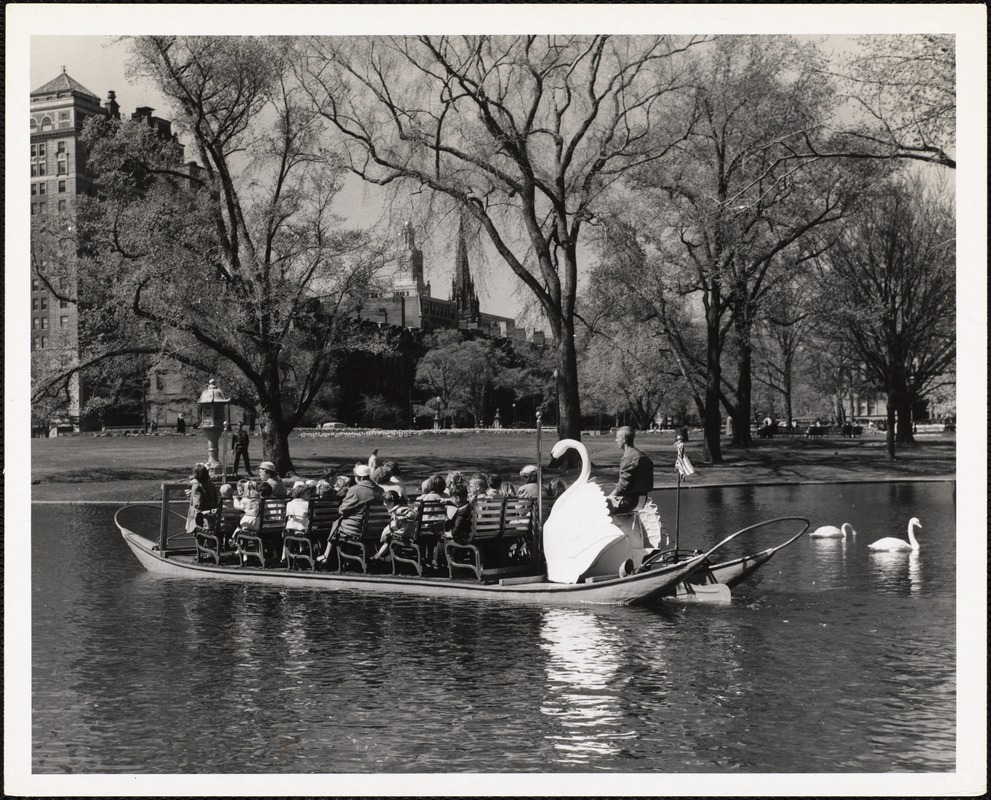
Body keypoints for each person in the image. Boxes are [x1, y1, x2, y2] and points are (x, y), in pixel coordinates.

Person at [317, 464, 383, 564]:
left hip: (357, 528)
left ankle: (328, 556)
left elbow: (342, 510)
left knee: (337, 523)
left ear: (360, 477)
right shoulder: (380, 490)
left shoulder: (355, 490)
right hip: (377, 527)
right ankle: (346, 558)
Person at [605, 426, 654, 515]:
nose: (616, 440)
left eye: (617, 438)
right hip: (642, 501)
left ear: (623, 439)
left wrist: (609, 497)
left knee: (600, 509)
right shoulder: (643, 457)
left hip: (630, 502)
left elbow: (622, 486)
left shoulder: (629, 457)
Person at [372, 489, 413, 561]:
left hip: (406, 532)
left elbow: (413, 515)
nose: (383, 504)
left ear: (391, 504)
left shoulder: (400, 510)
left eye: (385, 502)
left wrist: (402, 517)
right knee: (389, 537)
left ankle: (378, 556)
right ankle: (379, 555)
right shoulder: (399, 508)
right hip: (406, 531)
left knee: (389, 538)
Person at [281, 482, 313, 564]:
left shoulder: (290, 504)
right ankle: (302, 551)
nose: (310, 495)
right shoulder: (309, 504)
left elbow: (288, 517)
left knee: (287, 532)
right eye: (308, 493)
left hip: (293, 530)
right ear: (301, 494)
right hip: (306, 529)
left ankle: (284, 557)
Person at [185, 463, 219, 534]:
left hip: (202, 519)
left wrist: (196, 515)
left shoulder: (196, 486)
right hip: (213, 516)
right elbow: (216, 500)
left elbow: (198, 503)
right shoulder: (212, 485)